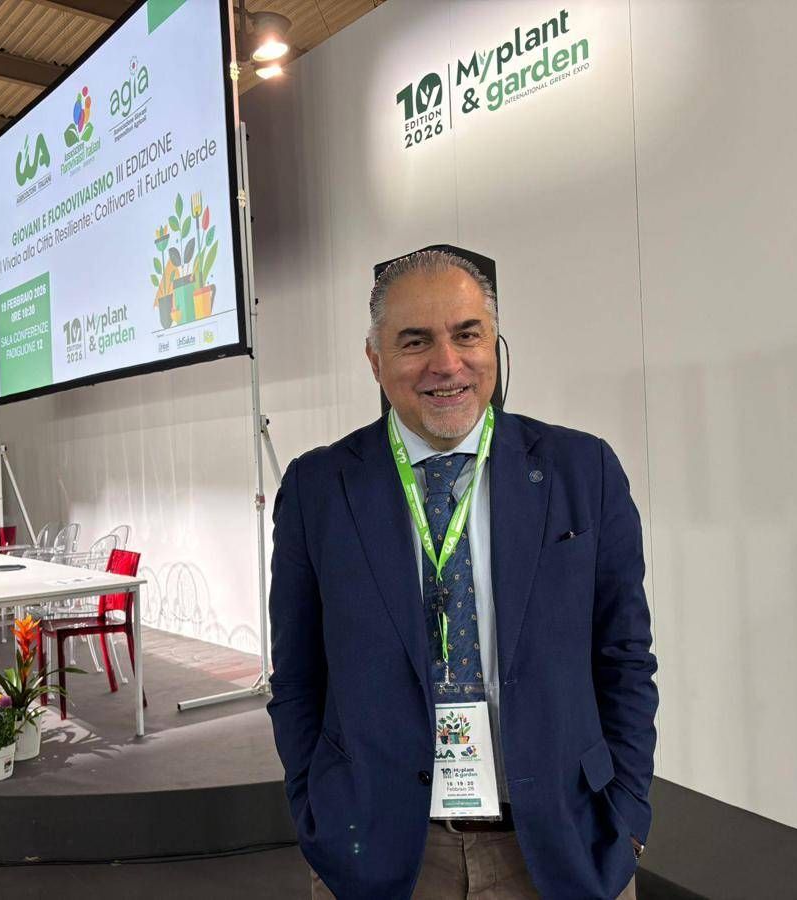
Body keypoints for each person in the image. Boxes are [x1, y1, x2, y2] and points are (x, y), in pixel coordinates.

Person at [267, 250, 658, 899]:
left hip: (566, 844)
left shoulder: (582, 470)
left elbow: (625, 657)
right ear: (375, 359)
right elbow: (298, 676)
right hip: (380, 852)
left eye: (467, 335)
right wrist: (318, 814)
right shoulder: (319, 490)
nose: (446, 364)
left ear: (493, 344)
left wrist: (629, 817)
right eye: (415, 341)